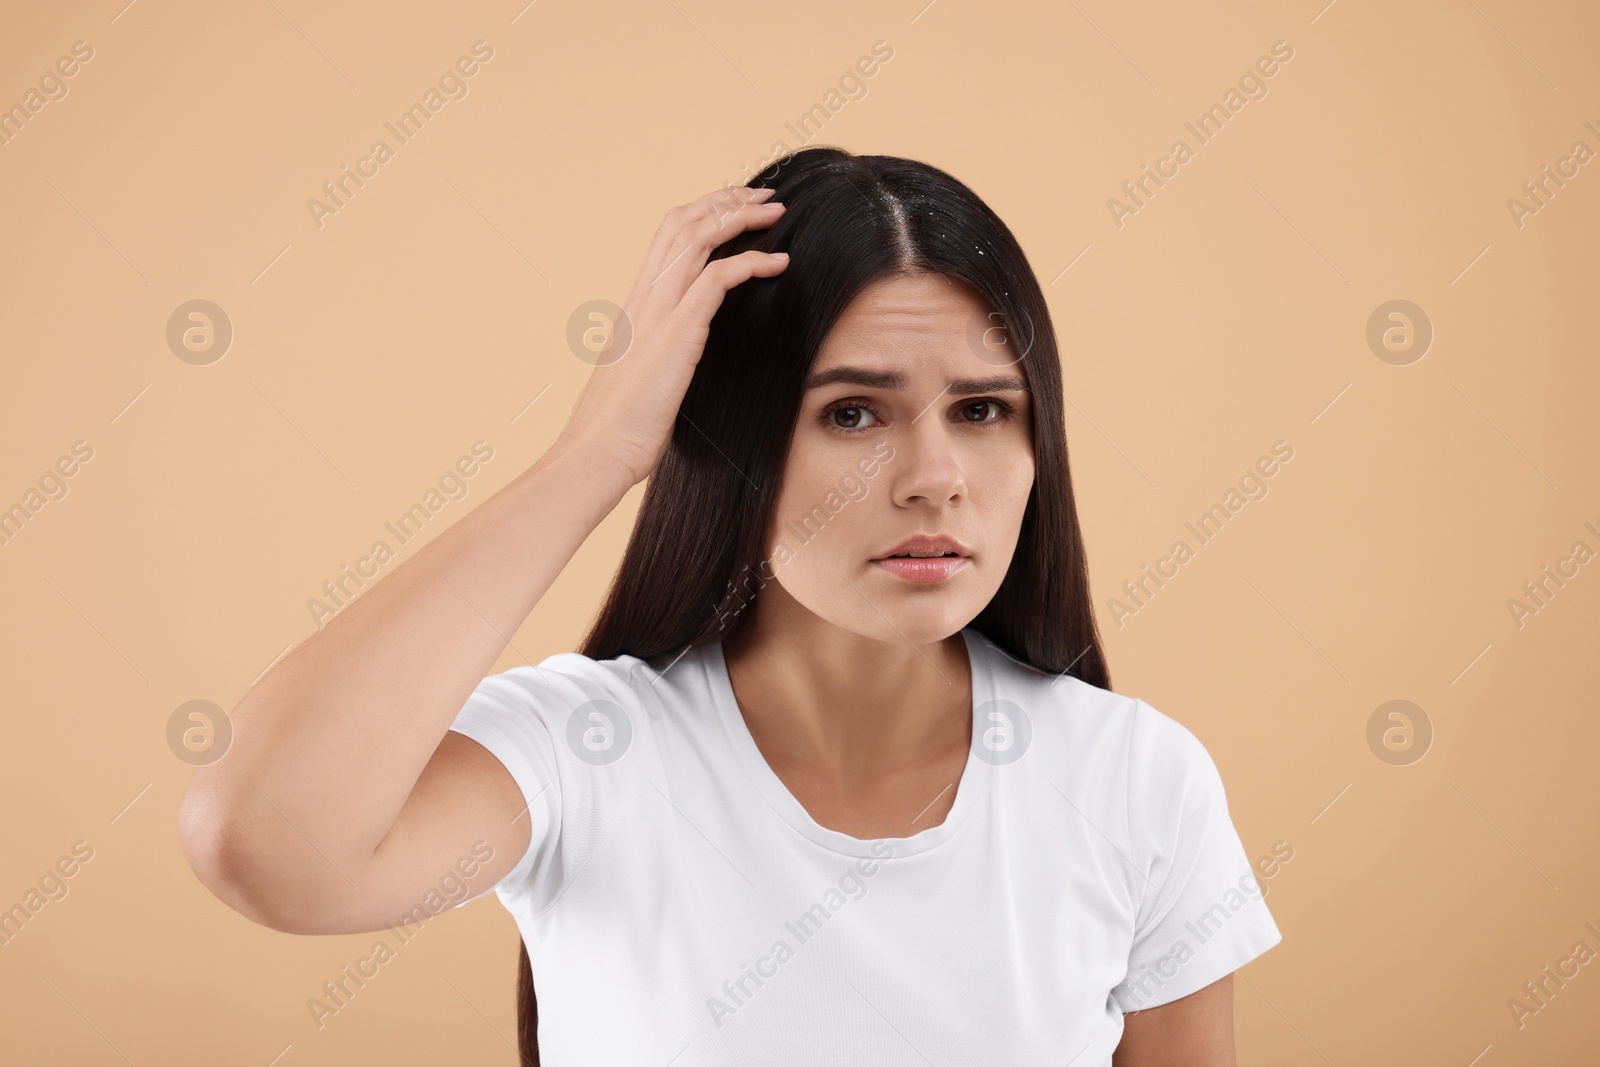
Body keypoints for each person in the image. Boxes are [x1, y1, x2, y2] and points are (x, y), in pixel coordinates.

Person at [178, 145, 1281, 1065]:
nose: (935, 476)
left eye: (985, 408)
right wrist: (599, 451)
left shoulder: (1134, 778)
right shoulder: (587, 750)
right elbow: (265, 841)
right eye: (853, 413)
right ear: (732, 437)